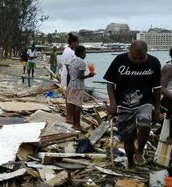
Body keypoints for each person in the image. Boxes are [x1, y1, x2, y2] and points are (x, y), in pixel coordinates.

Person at [104, 40, 161, 168]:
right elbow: (110, 83)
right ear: (129, 51)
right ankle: (130, 161)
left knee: (145, 124)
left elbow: (157, 88)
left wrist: (157, 109)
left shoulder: (154, 62)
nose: (137, 61)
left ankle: (139, 152)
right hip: (123, 103)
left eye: (140, 58)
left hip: (144, 101)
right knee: (128, 138)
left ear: (146, 53)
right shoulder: (120, 60)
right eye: (134, 57)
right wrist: (112, 103)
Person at [66, 46, 95, 130]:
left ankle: (74, 124)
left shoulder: (72, 60)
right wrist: (89, 75)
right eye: (85, 52)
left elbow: (70, 73)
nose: (85, 54)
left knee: (73, 105)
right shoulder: (82, 62)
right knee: (78, 106)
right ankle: (77, 125)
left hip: (71, 85)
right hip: (78, 87)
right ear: (81, 53)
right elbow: (80, 76)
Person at [61, 33, 79, 124]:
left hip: (71, 77)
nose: (78, 45)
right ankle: (69, 117)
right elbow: (68, 67)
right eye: (77, 42)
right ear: (73, 42)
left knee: (70, 97)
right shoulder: (68, 51)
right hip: (69, 77)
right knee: (69, 97)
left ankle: (70, 116)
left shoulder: (70, 51)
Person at [161, 47, 172, 142]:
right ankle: (170, 137)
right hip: (167, 97)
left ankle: (157, 133)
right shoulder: (169, 67)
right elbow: (161, 87)